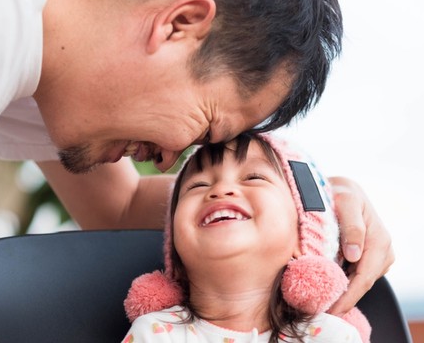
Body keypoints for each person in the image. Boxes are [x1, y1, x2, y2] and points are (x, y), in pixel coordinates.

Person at [0, 0, 393, 340]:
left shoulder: (39, 66)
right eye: (206, 127)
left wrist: (312, 207)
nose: (174, 157)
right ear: (181, 24)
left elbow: (123, 206)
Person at [123, 133, 372, 343]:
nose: (220, 190)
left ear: (304, 239)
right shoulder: (153, 333)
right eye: (197, 185)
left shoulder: (333, 337)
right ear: (175, 250)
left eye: (254, 177)